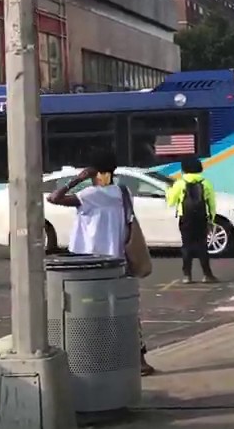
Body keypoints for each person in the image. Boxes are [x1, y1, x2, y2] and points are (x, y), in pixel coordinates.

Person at [48, 149, 155, 376]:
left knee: (89, 313)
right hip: (117, 260)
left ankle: (97, 359)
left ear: (93, 171)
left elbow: (53, 198)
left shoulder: (90, 195)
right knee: (124, 312)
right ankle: (139, 359)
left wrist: (77, 179)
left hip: (89, 262)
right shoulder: (123, 192)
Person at [166, 157, 218, 284]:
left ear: (184, 168)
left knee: (186, 246)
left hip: (186, 218)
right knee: (202, 246)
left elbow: (171, 202)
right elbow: (212, 204)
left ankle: (187, 276)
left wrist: (168, 190)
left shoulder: (180, 183)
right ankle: (207, 274)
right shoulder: (206, 183)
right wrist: (212, 220)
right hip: (201, 218)